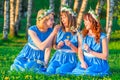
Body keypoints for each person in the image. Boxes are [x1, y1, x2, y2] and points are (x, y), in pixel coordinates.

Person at [72, 8, 109, 76]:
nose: (84, 23)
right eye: (84, 21)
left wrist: (90, 51)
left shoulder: (103, 37)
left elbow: (105, 56)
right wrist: (82, 62)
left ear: (93, 22)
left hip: (98, 62)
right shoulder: (83, 35)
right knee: (76, 72)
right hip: (86, 61)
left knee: (88, 72)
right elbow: (80, 52)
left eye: (86, 21)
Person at [46, 5, 78, 74]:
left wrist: (71, 45)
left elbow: (79, 51)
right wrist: (57, 46)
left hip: (70, 59)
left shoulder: (76, 32)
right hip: (57, 57)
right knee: (50, 71)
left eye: (64, 17)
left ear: (70, 18)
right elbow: (53, 45)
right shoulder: (58, 29)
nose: (62, 20)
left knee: (60, 71)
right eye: (61, 18)